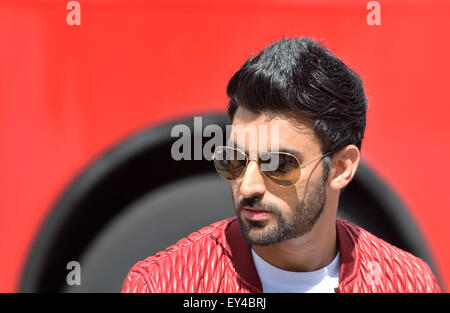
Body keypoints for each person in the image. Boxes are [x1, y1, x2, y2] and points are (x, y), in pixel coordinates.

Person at [121, 37, 441, 293]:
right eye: (234, 160)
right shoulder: (165, 284)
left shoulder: (407, 283)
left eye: (277, 165)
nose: (248, 186)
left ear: (342, 168)